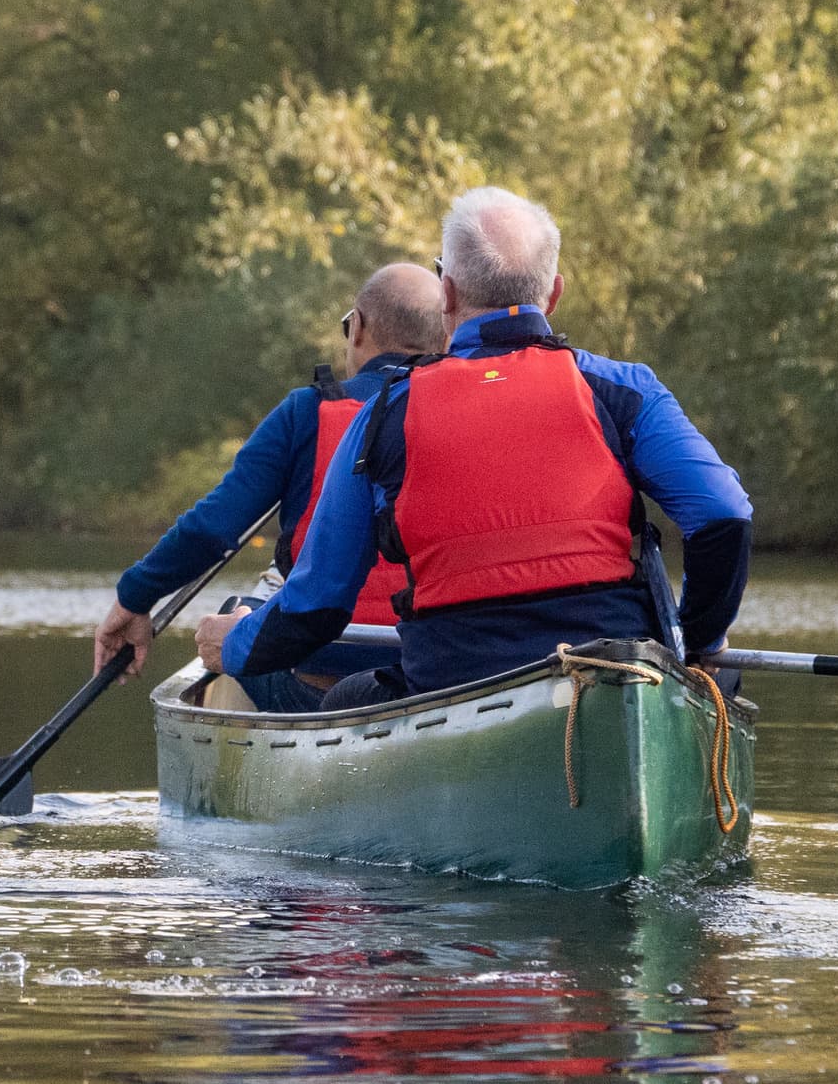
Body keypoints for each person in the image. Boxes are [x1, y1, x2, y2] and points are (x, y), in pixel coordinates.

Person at [194, 186, 752, 711]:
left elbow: (317, 604)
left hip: (449, 681)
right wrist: (698, 640)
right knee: (718, 678)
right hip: (613, 673)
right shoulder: (621, 389)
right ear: (553, 293)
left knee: (343, 702)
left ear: (449, 294)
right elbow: (723, 515)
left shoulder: (384, 414)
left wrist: (236, 645)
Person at [92, 262, 445, 710]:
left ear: (356, 327)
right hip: (430, 676)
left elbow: (213, 528)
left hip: (316, 686)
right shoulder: (464, 412)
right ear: (445, 337)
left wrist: (134, 597)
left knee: (232, 617)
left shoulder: (306, 413)